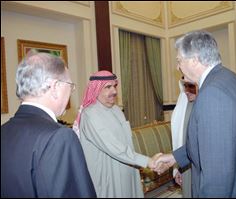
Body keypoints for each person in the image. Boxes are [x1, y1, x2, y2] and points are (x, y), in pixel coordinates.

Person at [153, 30, 236, 197]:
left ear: (194, 60)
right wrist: (174, 157)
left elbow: (218, 177)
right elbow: (215, 142)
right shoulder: (228, 78)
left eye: (179, 60)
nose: (177, 67)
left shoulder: (213, 94)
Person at [1, 52, 96, 197]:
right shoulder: (59, 137)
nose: (71, 92)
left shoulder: (4, 130)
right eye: (70, 86)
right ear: (55, 87)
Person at [72, 70, 159, 198]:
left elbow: (126, 141)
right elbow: (112, 146)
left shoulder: (117, 110)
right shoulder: (90, 114)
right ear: (96, 89)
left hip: (127, 168)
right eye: (108, 87)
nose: (114, 91)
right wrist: (147, 161)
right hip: (107, 176)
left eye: (114, 86)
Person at [171, 77, 197, 198]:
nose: (187, 91)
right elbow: (177, 139)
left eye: (191, 87)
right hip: (186, 164)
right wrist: (177, 169)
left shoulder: (208, 105)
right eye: (185, 87)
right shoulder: (182, 106)